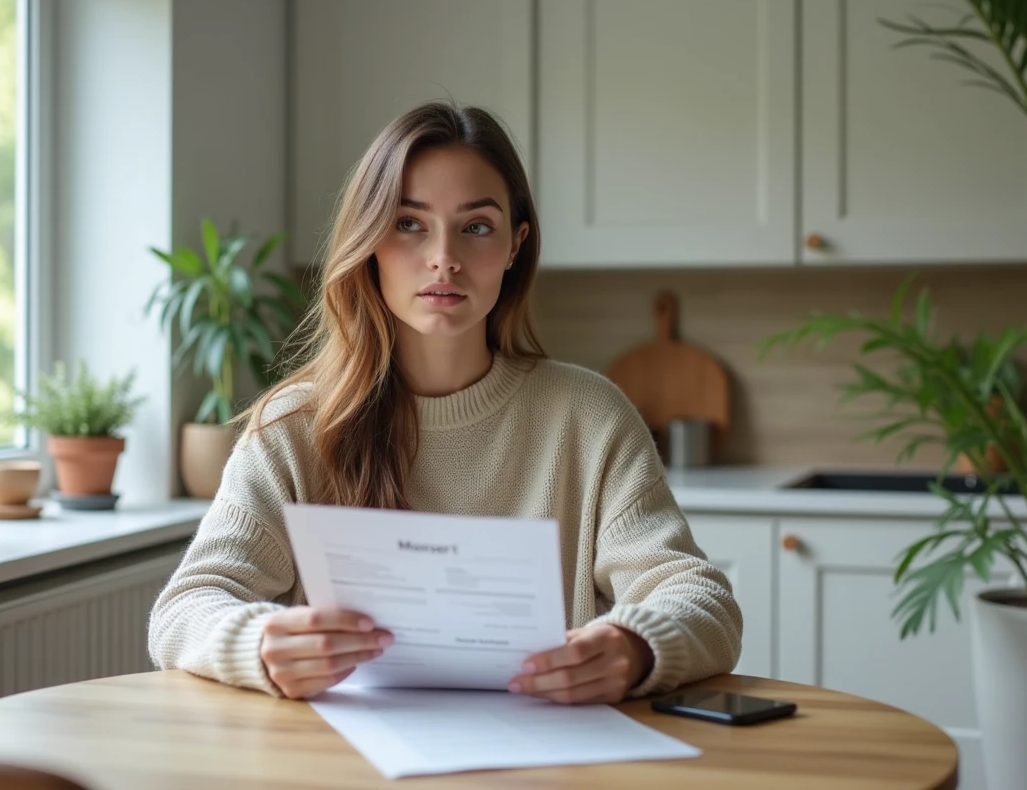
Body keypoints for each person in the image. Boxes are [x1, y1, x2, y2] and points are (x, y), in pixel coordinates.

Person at [147, 102, 743, 705]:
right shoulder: (294, 427)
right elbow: (184, 609)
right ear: (370, 241)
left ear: (516, 243)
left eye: (476, 226)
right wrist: (258, 642)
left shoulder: (589, 416)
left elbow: (701, 598)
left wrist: (634, 646)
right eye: (409, 223)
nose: (443, 258)